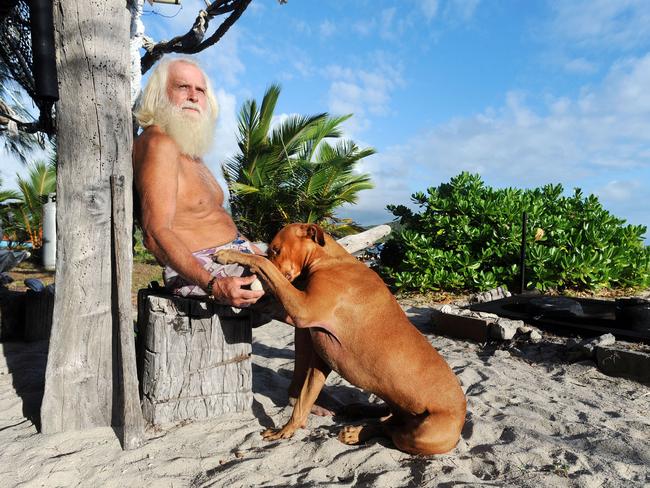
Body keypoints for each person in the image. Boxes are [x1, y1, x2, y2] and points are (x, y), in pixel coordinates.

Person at [132, 56, 334, 415]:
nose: (194, 96)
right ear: (159, 95)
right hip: (204, 267)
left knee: (320, 277)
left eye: (200, 90)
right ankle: (303, 389)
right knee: (308, 298)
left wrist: (254, 252)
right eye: (183, 87)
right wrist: (213, 284)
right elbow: (155, 233)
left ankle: (302, 387)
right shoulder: (159, 143)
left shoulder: (190, 152)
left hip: (236, 255)